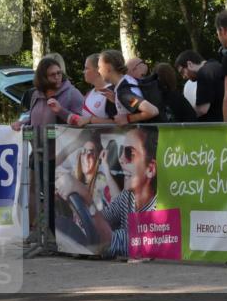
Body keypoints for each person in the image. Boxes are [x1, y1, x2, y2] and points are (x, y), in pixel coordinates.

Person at [92, 127, 159, 258]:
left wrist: (85, 200)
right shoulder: (127, 196)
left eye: (129, 153)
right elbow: (104, 218)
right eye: (122, 151)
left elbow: (120, 242)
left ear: (150, 169)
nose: (121, 159)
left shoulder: (159, 207)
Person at [12, 55, 84, 130]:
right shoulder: (36, 94)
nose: (57, 77)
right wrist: (21, 123)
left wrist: (61, 111)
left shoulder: (72, 94)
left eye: (59, 73)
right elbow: (34, 120)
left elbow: (83, 123)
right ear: (43, 77)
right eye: (52, 75)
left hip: (65, 141)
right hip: (36, 141)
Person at [97, 50, 160, 125]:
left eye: (99, 67)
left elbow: (152, 111)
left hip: (142, 135)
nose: (98, 71)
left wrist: (127, 118)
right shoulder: (128, 79)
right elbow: (133, 102)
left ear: (108, 67)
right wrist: (117, 100)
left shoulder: (124, 93)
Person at [175, 50, 225, 122]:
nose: (184, 77)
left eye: (182, 72)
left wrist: (182, 117)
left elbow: (202, 109)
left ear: (190, 64)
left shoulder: (203, 73)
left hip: (216, 127)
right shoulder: (216, 65)